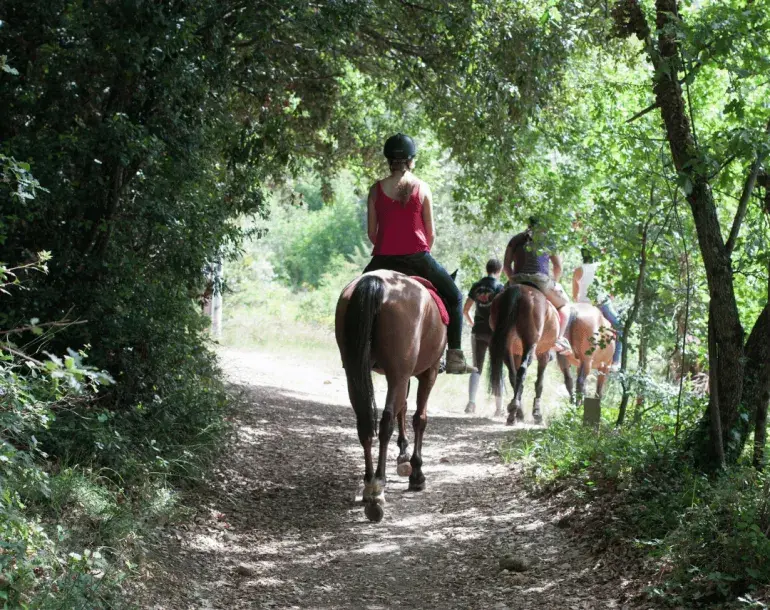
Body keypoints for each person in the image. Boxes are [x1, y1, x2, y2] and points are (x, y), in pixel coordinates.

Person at [362, 133, 475, 374]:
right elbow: (430, 234)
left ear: (388, 160)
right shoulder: (423, 188)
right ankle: (454, 355)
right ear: (411, 160)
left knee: (355, 296)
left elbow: (372, 234)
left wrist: (388, 246)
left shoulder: (375, 190)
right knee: (455, 296)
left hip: (382, 258)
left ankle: (355, 351)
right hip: (417, 257)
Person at [503, 217, 572, 355]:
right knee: (565, 306)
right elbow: (558, 267)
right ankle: (559, 339)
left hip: (517, 280)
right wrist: (555, 282)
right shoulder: (548, 240)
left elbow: (506, 267)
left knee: (498, 301)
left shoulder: (516, 239)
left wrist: (512, 280)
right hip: (540, 281)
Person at [463, 258, 506, 414]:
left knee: (476, 367)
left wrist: (472, 323)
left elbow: (465, 309)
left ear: (487, 268)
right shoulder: (500, 287)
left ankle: (471, 403)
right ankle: (499, 408)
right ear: (499, 270)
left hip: (478, 331)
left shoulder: (477, 286)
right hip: (494, 333)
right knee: (497, 368)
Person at [572, 247, 622, 370]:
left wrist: (579, 300)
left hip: (583, 305)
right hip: (601, 304)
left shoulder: (578, 270)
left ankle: (559, 346)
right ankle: (615, 362)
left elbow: (575, 294)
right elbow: (611, 290)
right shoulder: (602, 267)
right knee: (620, 327)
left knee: (565, 321)